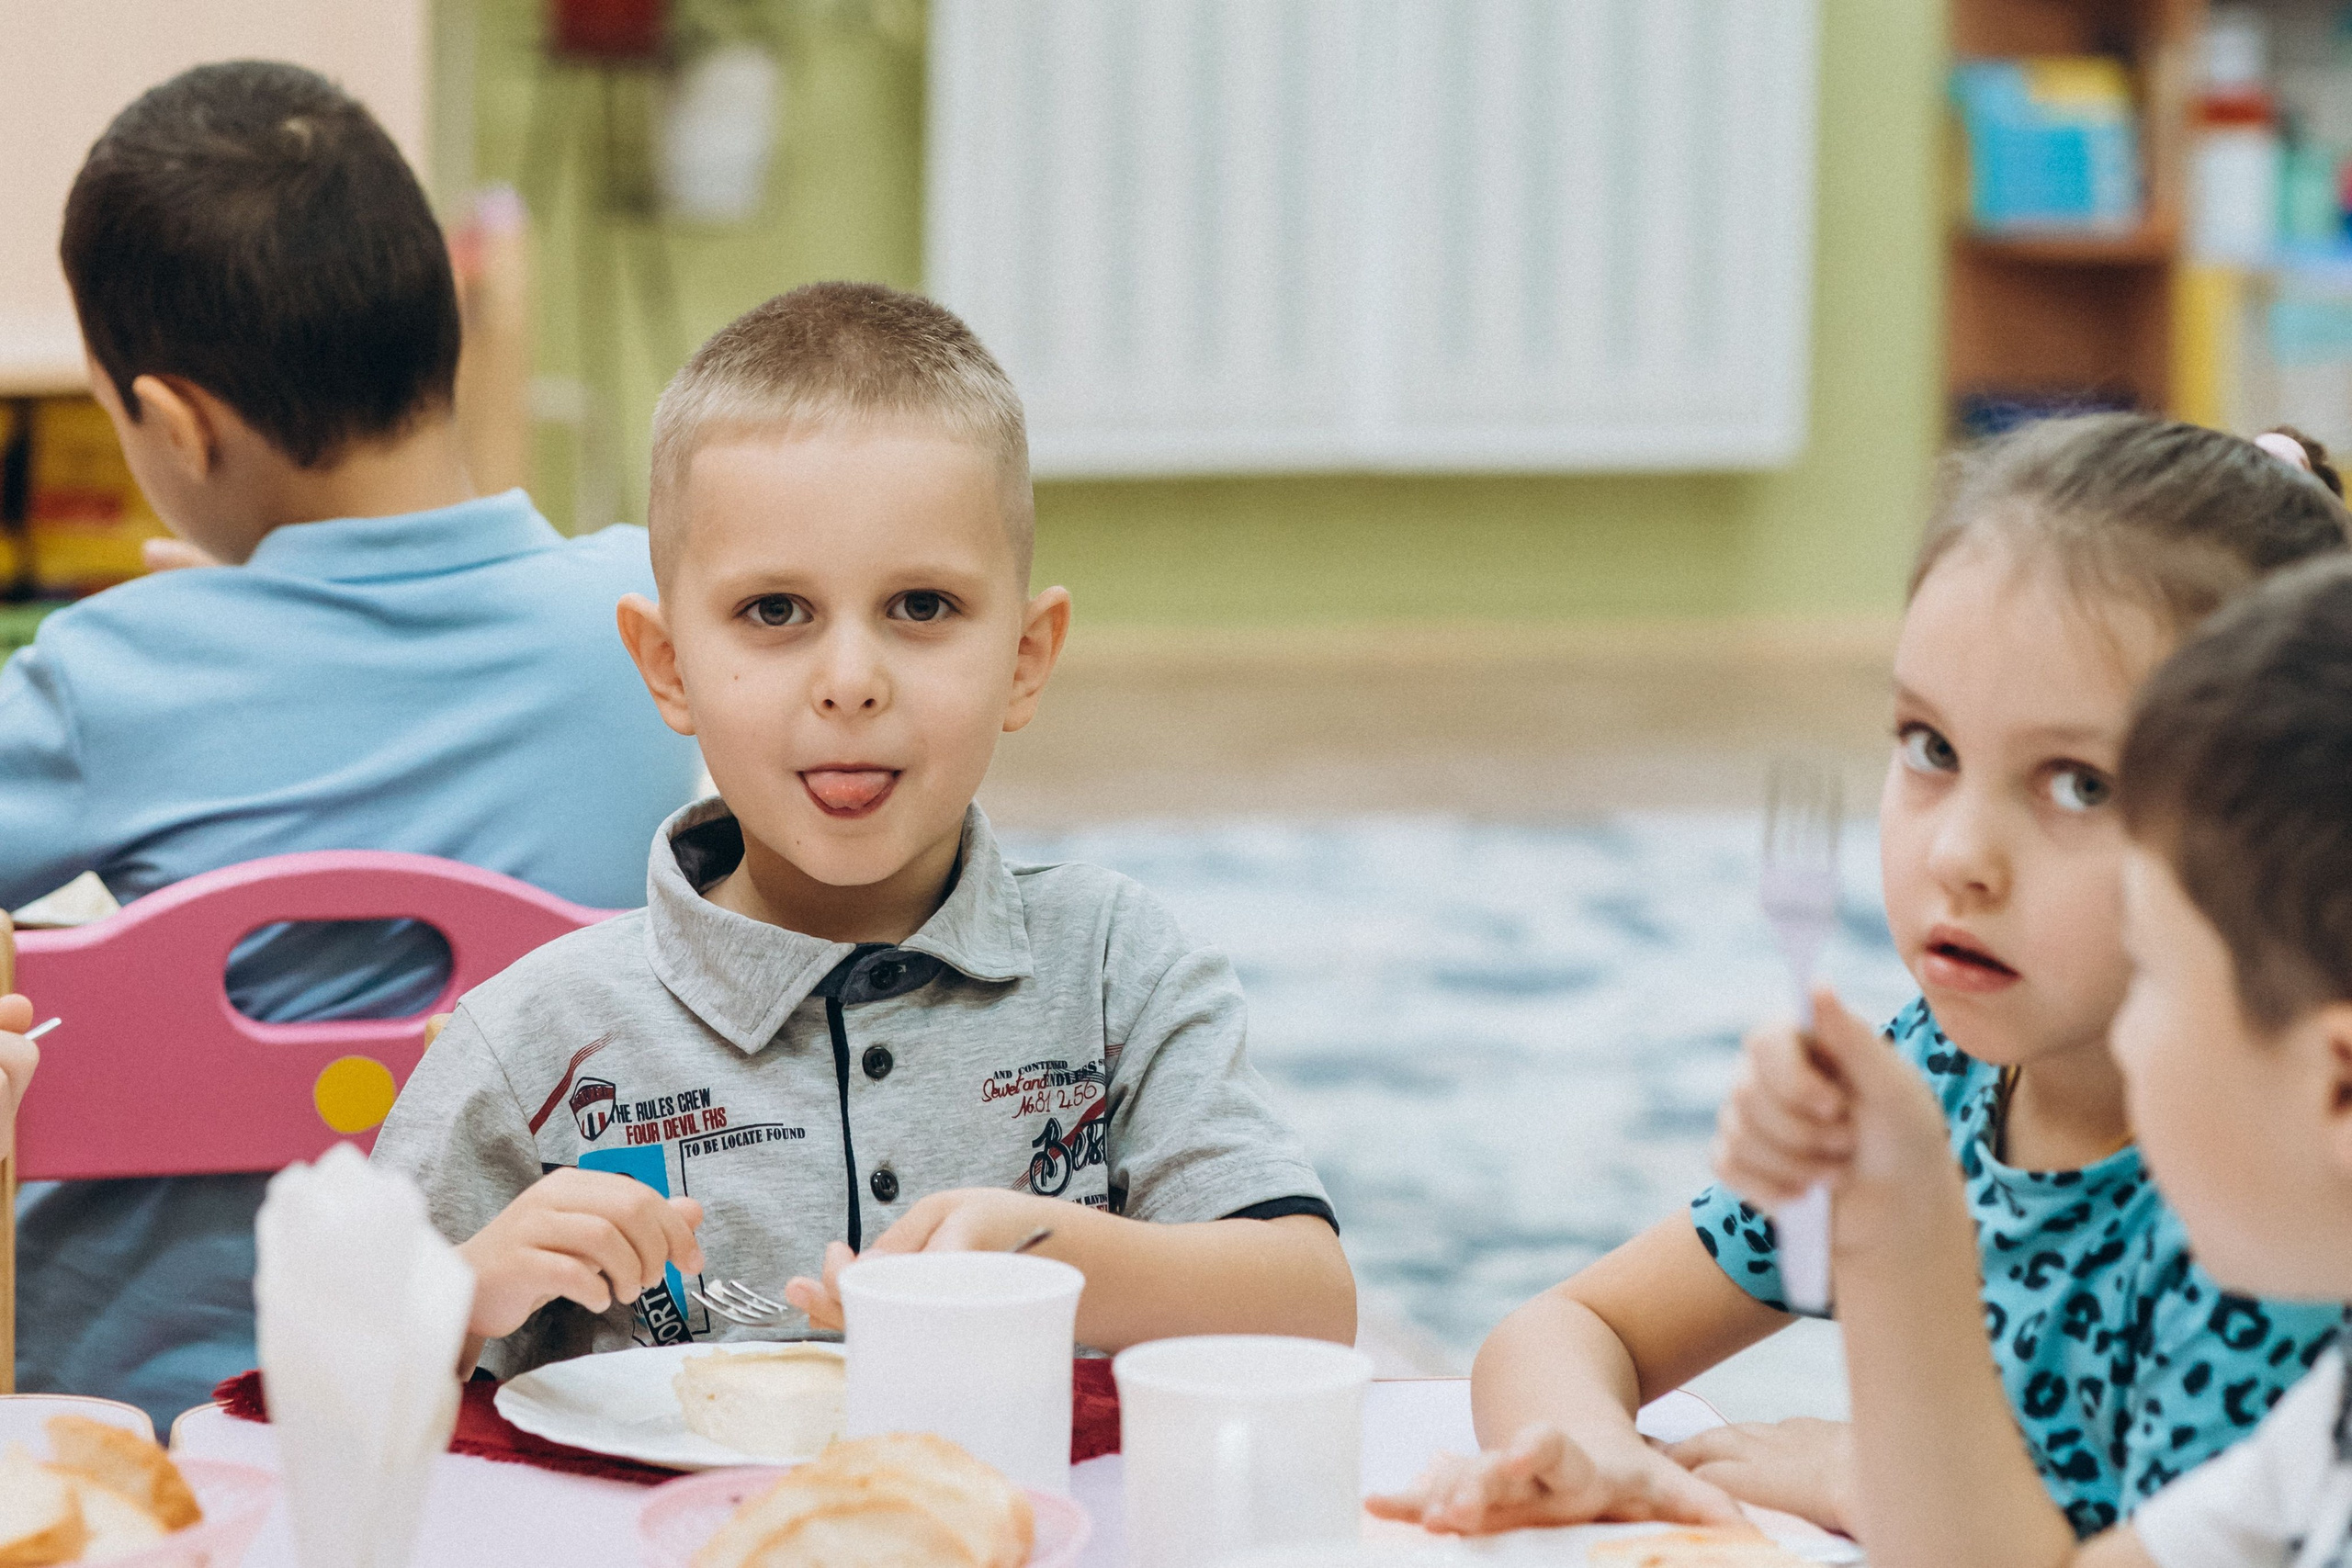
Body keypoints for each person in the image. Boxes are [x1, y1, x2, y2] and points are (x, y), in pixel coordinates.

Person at [1370, 416, 2350, 1538]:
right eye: (1929, 748)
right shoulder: (1929, 1076)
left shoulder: (2270, 1209)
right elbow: (1571, 1328)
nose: (1957, 858)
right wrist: (1615, 1470)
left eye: (2076, 785)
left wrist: (1863, 1475)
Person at [372, 281, 1356, 1376]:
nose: (850, 682)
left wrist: (1051, 1256)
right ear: (668, 667)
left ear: (1025, 659)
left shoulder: (1116, 968)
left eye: (922, 607)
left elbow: (1309, 1302)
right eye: (774, 612)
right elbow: (320, 1387)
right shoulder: (537, 1038)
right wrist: (464, 1296)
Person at [0, 62, 702, 1425]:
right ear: (446, 328)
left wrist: (184, 640)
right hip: (531, 1392)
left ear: (181, 422)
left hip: (170, 1410)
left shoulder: (109, 680)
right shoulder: (647, 620)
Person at [1709, 556, 2352, 1566]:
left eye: (2156, 978)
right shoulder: (2321, 1431)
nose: (2130, 1037)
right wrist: (1898, 1221)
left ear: (2338, 1088)